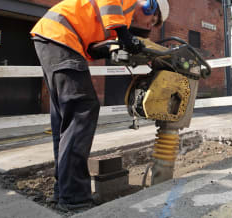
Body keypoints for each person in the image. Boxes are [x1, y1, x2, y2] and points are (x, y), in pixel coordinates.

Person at [30, 0, 169, 211]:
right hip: (61, 36)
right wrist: (123, 33)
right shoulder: (125, 8)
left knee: (66, 120)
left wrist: (115, 47)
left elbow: (93, 47)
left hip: (55, 37)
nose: (149, 26)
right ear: (149, 6)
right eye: (153, 21)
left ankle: (64, 192)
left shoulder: (121, 19)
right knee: (82, 108)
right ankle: (74, 199)